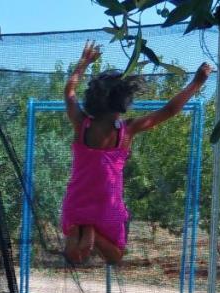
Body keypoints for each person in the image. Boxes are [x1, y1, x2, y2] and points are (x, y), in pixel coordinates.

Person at [61, 42, 212, 264]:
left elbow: (70, 92)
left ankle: (82, 231)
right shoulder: (127, 131)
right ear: (124, 101)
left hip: (77, 200)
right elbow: (169, 111)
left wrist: (84, 62)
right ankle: (92, 232)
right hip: (107, 205)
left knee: (74, 253)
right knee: (116, 256)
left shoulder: (81, 124)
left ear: (93, 99)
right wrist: (196, 83)